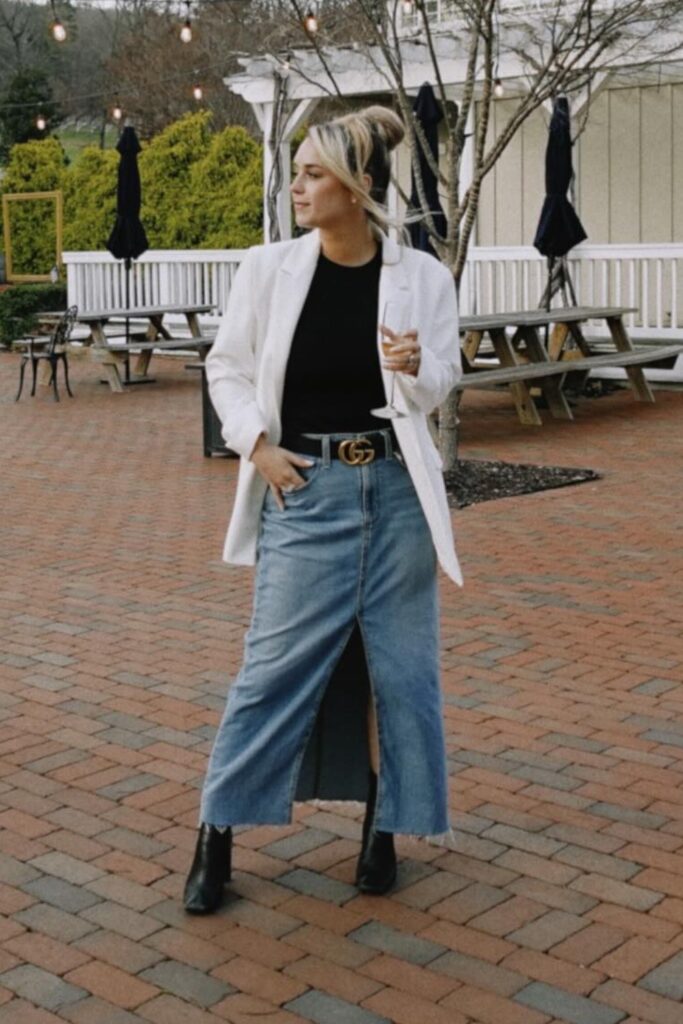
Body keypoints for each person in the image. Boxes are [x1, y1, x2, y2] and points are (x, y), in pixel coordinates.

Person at [184, 105, 463, 915]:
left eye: (313, 174)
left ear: (359, 186)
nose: (297, 187)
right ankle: (216, 832)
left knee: (401, 674)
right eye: (297, 171)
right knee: (270, 672)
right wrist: (257, 446)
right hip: (306, 493)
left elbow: (438, 381)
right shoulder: (268, 269)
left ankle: (384, 827)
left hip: (399, 499)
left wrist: (415, 370)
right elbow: (226, 368)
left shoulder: (422, 276)